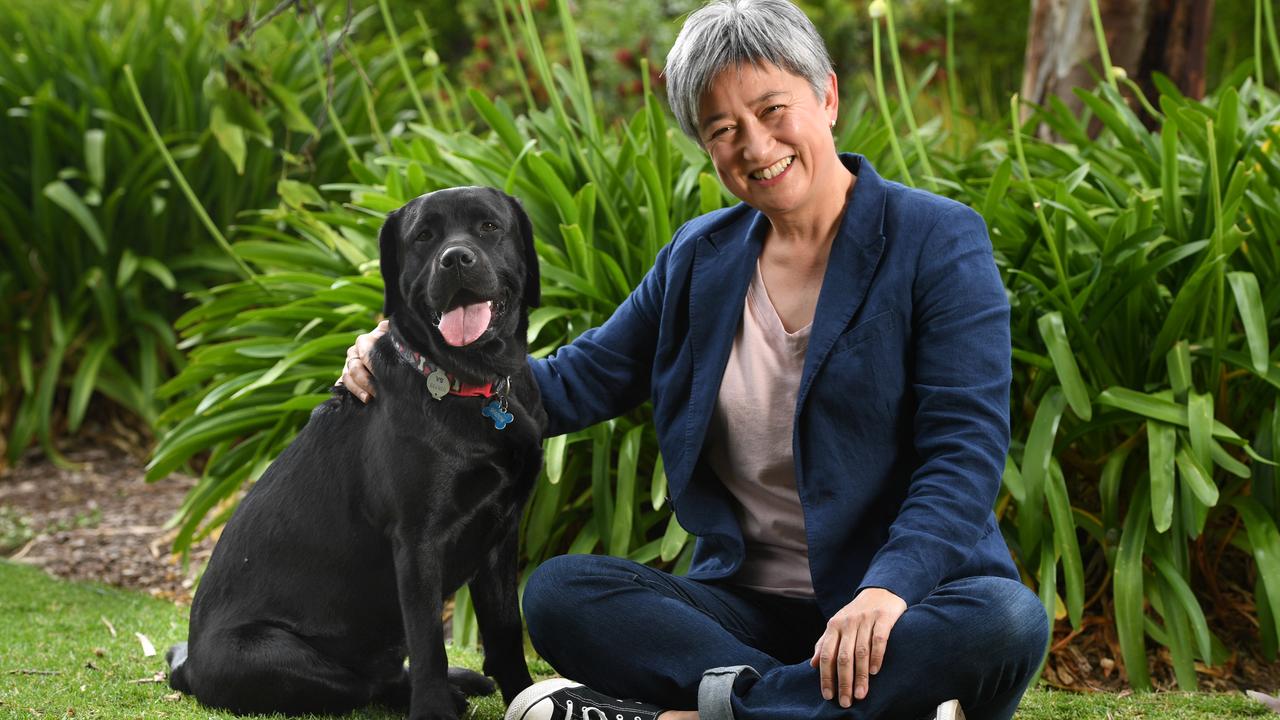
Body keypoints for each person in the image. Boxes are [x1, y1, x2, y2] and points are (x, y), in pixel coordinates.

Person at [339, 1, 1048, 718]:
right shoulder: (699, 259)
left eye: (774, 109)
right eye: (722, 129)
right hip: (746, 611)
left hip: (901, 599)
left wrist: (886, 590)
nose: (757, 144)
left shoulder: (937, 240)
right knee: (560, 594)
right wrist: (415, 361)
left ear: (827, 96)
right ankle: (831, 706)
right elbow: (566, 386)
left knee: (1007, 620)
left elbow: (964, 452)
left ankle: (713, 710)